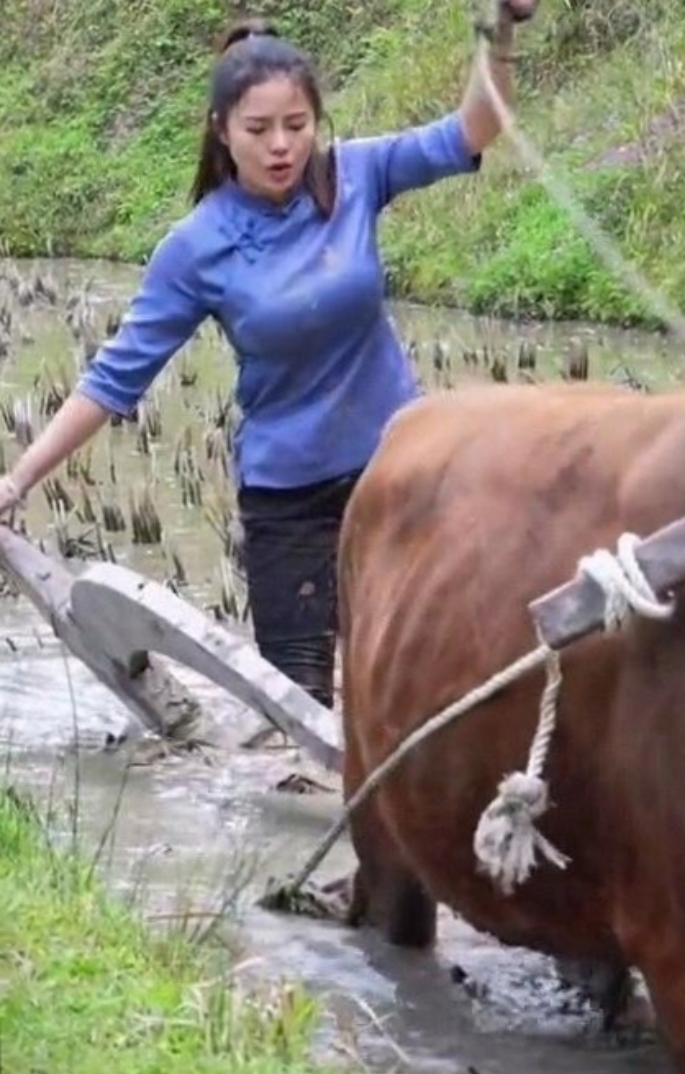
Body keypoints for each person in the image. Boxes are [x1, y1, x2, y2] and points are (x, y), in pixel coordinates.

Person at [0, 2, 537, 708]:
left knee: (440, 683)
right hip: (292, 502)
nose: (281, 145)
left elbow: (475, 128)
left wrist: (498, 32)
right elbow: (113, 380)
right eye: (258, 130)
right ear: (223, 132)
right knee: (300, 710)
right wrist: (18, 481)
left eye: (297, 125)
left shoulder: (357, 176)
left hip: (399, 473)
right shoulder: (196, 247)